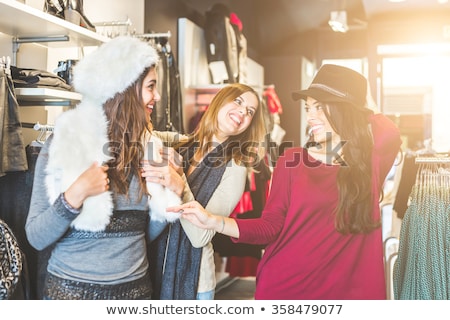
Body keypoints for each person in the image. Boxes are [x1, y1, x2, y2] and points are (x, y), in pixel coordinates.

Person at [168, 64, 402, 300]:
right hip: (286, 288)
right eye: (309, 107)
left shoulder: (368, 164)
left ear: (345, 110)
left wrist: (365, 100)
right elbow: (270, 226)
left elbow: (390, 135)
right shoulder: (293, 160)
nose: (310, 116)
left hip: (347, 293)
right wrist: (212, 221)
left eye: (320, 107)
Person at [25, 36, 190, 300]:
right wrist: (73, 196)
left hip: (135, 295)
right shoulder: (64, 145)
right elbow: (35, 237)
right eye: (151, 87)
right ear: (124, 89)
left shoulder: (151, 150)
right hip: (71, 297)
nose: (157, 96)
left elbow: (144, 236)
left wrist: (173, 191)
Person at [148, 83, 267, 300]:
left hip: (194, 282)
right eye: (238, 102)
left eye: (249, 111)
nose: (242, 112)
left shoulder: (236, 167)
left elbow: (200, 236)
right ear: (219, 101)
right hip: (155, 266)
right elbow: (142, 136)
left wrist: (180, 182)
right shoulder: (185, 144)